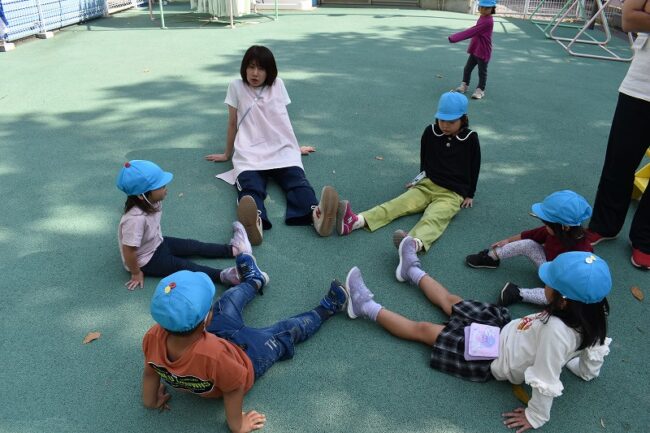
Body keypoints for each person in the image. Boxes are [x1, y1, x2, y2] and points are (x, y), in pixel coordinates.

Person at [346, 238, 611, 432]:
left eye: (549, 284)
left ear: (564, 301)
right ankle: (410, 269)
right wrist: (584, 370)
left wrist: (536, 416)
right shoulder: (592, 315)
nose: (545, 285)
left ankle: (364, 306)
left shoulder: (557, 332)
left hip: (490, 357)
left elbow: (545, 376)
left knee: (424, 330)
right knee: (452, 301)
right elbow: (593, 351)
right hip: (504, 329)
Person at [141, 255, 348, 433]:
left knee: (226, 302)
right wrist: (237, 425)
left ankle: (254, 280)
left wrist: (150, 400)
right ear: (206, 318)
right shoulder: (216, 357)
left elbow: (150, 370)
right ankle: (328, 308)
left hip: (213, 337)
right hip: (248, 357)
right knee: (283, 332)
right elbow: (234, 388)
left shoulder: (152, 336)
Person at [205, 45, 339, 246]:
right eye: (251, 67)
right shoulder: (236, 86)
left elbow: (281, 119)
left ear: (270, 71)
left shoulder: (278, 85)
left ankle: (317, 216)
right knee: (251, 187)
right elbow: (232, 122)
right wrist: (227, 154)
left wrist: (294, 147)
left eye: (261, 68)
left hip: (280, 148)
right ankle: (255, 221)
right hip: (250, 152)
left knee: (297, 181)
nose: (255, 73)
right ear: (244, 68)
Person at [337, 92, 480, 255]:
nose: (445, 126)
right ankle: (355, 221)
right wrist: (419, 179)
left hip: (452, 193)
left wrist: (470, 194)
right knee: (397, 204)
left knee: (435, 217)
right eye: (442, 120)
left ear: (463, 119)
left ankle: (413, 244)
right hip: (427, 184)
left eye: (451, 122)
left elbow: (474, 167)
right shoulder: (431, 132)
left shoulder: (470, 138)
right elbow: (425, 159)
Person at [117, 160, 251, 290]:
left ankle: (235, 250)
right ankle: (225, 277)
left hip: (157, 243)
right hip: (147, 260)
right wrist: (135, 272)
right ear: (142, 196)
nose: (166, 189)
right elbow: (128, 250)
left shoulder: (151, 202)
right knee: (185, 266)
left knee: (193, 246)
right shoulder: (134, 220)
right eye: (161, 186)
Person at [587, 0, 650, 270]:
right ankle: (604, 224)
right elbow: (630, 19)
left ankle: (645, 239)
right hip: (642, 86)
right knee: (619, 160)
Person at [465, 190, 593, 306]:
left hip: (562, 284)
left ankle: (517, 293)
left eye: (548, 224)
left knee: (558, 300)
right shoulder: (555, 231)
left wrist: (555, 287)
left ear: (564, 227)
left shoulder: (583, 251)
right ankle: (491, 257)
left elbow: (577, 285)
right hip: (548, 267)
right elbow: (529, 235)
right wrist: (508, 241)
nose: (545, 227)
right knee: (528, 243)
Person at [448, 0, 496, 100]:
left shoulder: (488, 21)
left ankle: (480, 90)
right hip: (476, 49)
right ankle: (464, 85)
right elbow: (476, 29)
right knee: (467, 68)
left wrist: (455, 37)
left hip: (483, 50)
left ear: (492, 9)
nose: (483, 9)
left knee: (482, 72)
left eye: (486, 8)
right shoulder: (482, 17)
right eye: (481, 7)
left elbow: (473, 31)